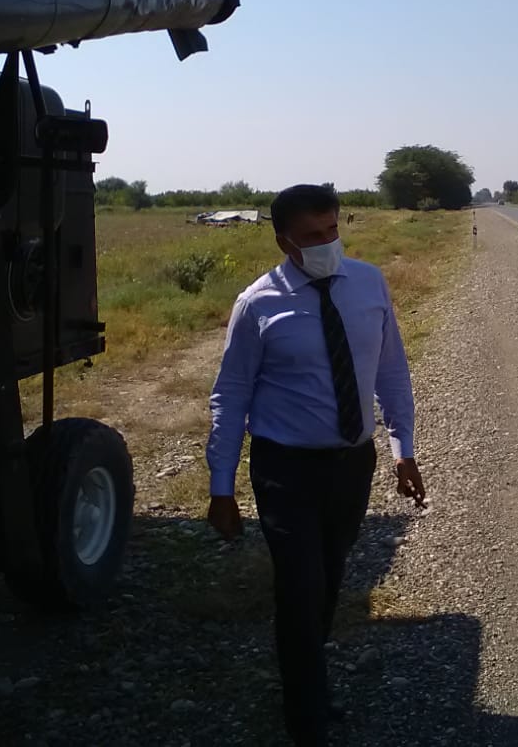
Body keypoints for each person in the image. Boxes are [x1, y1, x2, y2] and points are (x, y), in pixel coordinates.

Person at [205, 183, 425, 747]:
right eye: (312, 236)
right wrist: (221, 487)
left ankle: (311, 680)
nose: (328, 244)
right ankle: (305, 719)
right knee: (299, 588)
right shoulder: (258, 304)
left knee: (328, 578)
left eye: (332, 230)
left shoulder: (369, 284)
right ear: (284, 241)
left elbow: (391, 371)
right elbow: (231, 394)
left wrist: (403, 448)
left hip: (352, 464)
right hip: (286, 469)